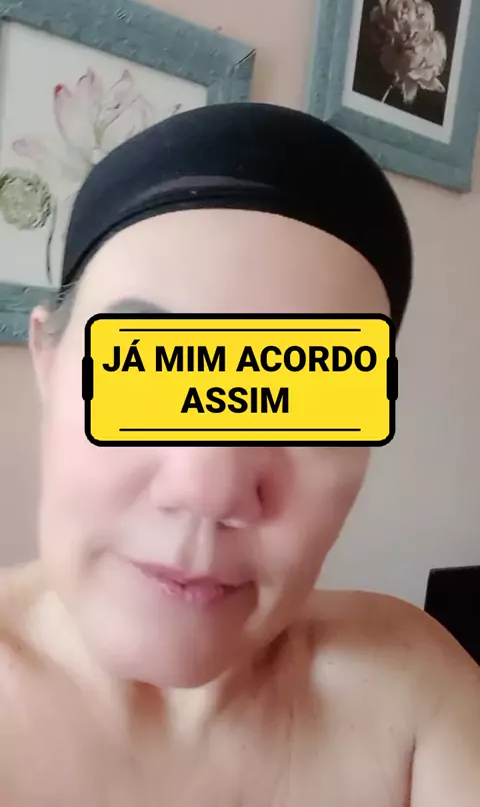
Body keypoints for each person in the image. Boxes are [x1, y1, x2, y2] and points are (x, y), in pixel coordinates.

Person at [1, 102, 479, 806]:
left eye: (306, 391)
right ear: (47, 360)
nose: (209, 486)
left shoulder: (416, 696)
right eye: (146, 371)